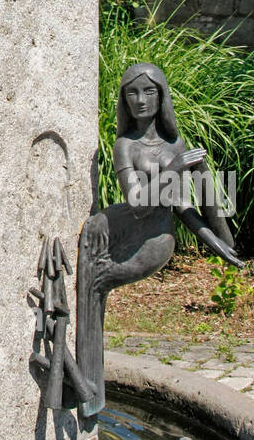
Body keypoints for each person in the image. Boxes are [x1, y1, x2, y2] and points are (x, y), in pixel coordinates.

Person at [76, 62, 242, 413]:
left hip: (159, 242)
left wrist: (217, 243)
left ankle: (88, 384)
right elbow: (136, 204)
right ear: (124, 99)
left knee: (96, 289)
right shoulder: (126, 146)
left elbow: (182, 205)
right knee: (92, 291)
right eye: (132, 93)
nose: (140, 100)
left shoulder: (174, 143)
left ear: (161, 96)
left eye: (149, 91)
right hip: (135, 240)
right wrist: (174, 170)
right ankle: (89, 386)